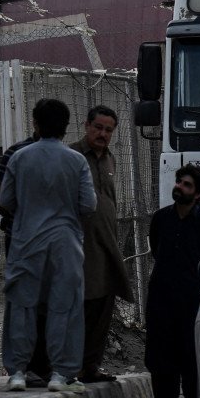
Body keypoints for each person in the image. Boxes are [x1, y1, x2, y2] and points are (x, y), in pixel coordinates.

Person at [0, 98, 96, 393]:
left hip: (26, 239)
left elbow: (5, 201)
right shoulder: (77, 160)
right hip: (65, 241)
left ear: (36, 123)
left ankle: (18, 371)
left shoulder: (20, 157)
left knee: (22, 304)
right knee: (64, 305)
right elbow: (88, 204)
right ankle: (61, 373)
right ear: (66, 128)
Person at [142, 165, 200, 398]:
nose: (179, 187)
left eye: (186, 185)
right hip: (162, 297)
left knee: (191, 356)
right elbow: (156, 250)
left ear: (197, 194)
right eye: (179, 182)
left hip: (191, 301)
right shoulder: (161, 219)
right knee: (160, 356)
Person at [71, 105, 134, 383]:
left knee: (104, 305)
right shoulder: (72, 156)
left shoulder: (110, 160)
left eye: (108, 130)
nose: (102, 134)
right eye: (98, 127)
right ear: (86, 125)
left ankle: (91, 366)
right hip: (80, 245)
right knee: (81, 306)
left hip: (107, 243)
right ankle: (72, 366)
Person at [0, 133, 49, 386]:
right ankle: (28, 367)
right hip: (34, 240)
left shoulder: (20, 152)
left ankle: (32, 367)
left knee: (33, 303)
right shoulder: (20, 153)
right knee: (33, 302)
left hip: (29, 238)